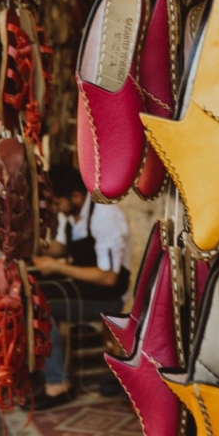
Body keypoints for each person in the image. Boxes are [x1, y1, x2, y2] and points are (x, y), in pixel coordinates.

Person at [31, 161, 131, 410]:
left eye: (57, 203)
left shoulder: (105, 216)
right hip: (85, 287)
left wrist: (58, 268)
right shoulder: (71, 214)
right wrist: (32, 245)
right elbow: (61, 248)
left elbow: (108, 277)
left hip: (108, 295)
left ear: (75, 195)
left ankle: (58, 384)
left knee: (42, 305)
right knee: (33, 289)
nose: (56, 209)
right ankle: (42, 368)